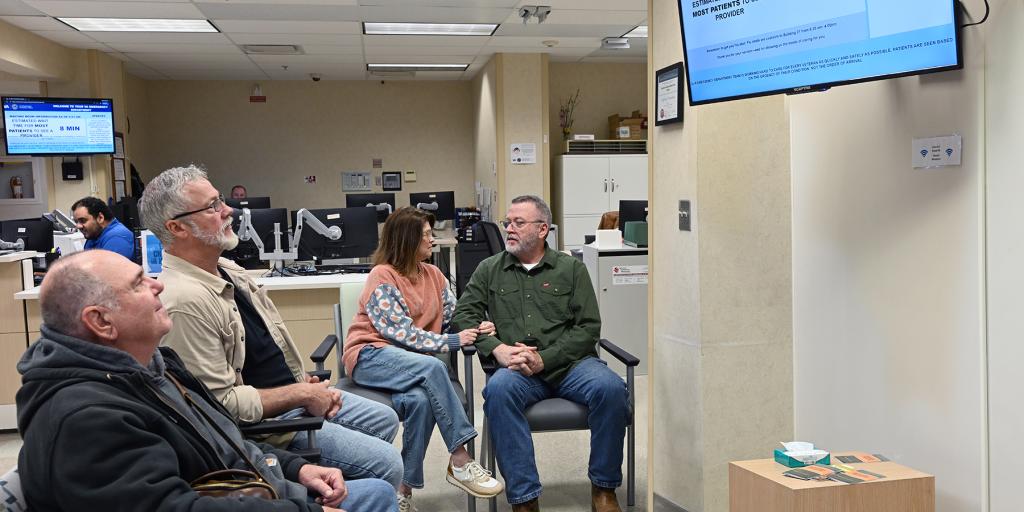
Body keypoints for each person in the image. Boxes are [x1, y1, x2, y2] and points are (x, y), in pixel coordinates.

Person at [15, 249, 398, 511]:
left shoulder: (158, 365)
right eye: (137, 284)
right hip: (245, 498)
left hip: (253, 487)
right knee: (377, 493)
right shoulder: (84, 419)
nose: (157, 285)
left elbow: (223, 438)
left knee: (377, 491)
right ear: (101, 321)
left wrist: (296, 468)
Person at [139, 165, 403, 490]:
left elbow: (263, 349)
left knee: (385, 418)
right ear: (177, 227)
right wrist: (300, 394)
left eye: (219, 200)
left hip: (287, 402)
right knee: (387, 464)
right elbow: (217, 408)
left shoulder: (225, 269)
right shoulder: (184, 301)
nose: (228, 211)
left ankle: (342, 488)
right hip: (271, 427)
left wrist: (297, 383)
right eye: (212, 207)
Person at [452, 195, 629, 512]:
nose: (509, 229)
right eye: (508, 222)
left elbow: (588, 327)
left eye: (518, 223)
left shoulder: (571, 269)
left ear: (543, 229)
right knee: (497, 391)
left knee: (612, 388)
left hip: (571, 366)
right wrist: (499, 349)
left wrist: (545, 358)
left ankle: (604, 489)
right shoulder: (489, 269)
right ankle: (524, 499)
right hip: (517, 370)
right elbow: (463, 317)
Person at [344, 207, 504, 510]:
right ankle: (460, 458)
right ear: (407, 240)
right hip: (370, 356)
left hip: (410, 364)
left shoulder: (434, 275)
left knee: (421, 401)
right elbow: (400, 334)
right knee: (433, 367)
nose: (433, 240)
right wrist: (455, 340)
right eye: (427, 235)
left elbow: (452, 319)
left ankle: (402, 492)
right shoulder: (383, 276)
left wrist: (475, 327)